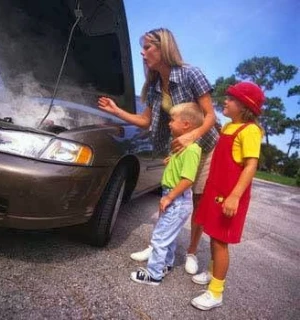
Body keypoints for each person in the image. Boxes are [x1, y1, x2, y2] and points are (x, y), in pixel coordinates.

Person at [98, 28, 219, 274]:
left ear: (163, 47)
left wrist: (190, 136)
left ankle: (192, 252)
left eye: (147, 47)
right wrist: (116, 111)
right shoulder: (154, 85)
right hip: (178, 149)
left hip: (204, 146)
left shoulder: (190, 74)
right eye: (142, 48)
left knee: (196, 200)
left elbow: (210, 116)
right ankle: (158, 247)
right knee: (169, 199)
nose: (142, 53)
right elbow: (146, 121)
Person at [190, 82, 265, 310]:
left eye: (231, 99)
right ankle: (213, 273)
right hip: (216, 191)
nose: (225, 100)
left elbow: (251, 166)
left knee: (220, 241)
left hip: (230, 195)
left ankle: (216, 292)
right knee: (212, 234)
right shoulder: (228, 127)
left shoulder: (250, 130)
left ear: (244, 106)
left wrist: (234, 196)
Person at [129, 103, 203, 285]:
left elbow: (187, 179)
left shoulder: (192, 149)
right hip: (173, 197)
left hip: (176, 199)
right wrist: (172, 160)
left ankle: (153, 274)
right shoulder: (182, 147)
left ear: (186, 124)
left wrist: (169, 197)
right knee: (168, 236)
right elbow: (181, 169)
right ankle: (166, 264)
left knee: (160, 237)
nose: (169, 123)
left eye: (172, 120)